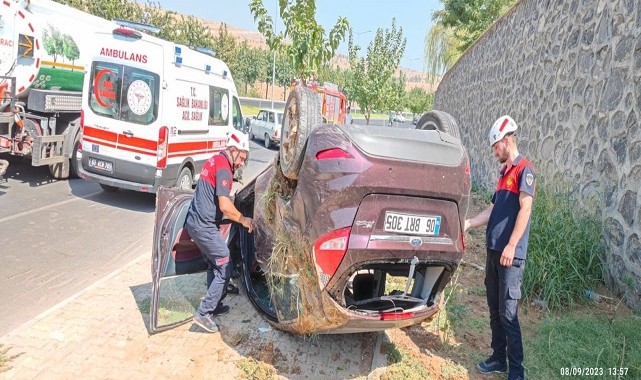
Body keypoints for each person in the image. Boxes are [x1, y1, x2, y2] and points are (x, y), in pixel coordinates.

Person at [464, 115, 535, 380]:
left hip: (510, 256)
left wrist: (512, 245)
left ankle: (517, 371)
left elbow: (525, 209)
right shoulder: (503, 173)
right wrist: (469, 222)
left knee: (508, 313)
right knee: (494, 309)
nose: (494, 151)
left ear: (506, 141)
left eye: (496, 146)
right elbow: (493, 209)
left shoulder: (524, 169)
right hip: (494, 252)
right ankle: (498, 358)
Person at [186, 132, 254, 333]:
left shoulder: (214, 160)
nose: (242, 163)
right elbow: (224, 205)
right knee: (224, 265)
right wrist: (244, 219)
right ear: (233, 150)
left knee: (213, 263)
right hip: (204, 226)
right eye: (242, 158)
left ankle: (213, 305)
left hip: (196, 222)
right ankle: (204, 313)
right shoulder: (224, 167)